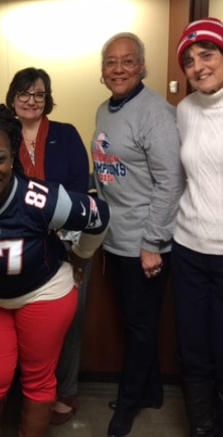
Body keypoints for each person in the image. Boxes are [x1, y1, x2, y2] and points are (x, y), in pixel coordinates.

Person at [0, 103, 110, 437]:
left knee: (37, 380)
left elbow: (100, 216)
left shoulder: (39, 199)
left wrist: (81, 256)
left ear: (13, 155)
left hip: (44, 293)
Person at [91, 32, 184, 437]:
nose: (119, 69)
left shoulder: (156, 113)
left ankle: (127, 405)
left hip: (144, 243)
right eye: (111, 62)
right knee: (134, 322)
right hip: (115, 238)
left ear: (142, 66)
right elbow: (109, 169)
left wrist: (151, 244)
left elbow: (170, 183)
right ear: (102, 70)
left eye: (128, 61)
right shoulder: (103, 110)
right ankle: (151, 391)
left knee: (141, 327)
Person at [5, 67, 90, 425]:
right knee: (18, 326)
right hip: (15, 247)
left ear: (47, 99)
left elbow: (79, 194)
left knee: (68, 321)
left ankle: (65, 390)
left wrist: (71, 245)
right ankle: (24, 394)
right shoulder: (1, 135)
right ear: (12, 98)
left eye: (39, 94)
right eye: (24, 94)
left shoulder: (66, 135)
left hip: (64, 244)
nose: (31, 101)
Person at [173, 17, 223, 437]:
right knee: (193, 351)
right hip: (188, 248)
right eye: (189, 60)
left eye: (206, 54)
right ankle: (202, 428)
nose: (198, 66)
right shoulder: (185, 111)